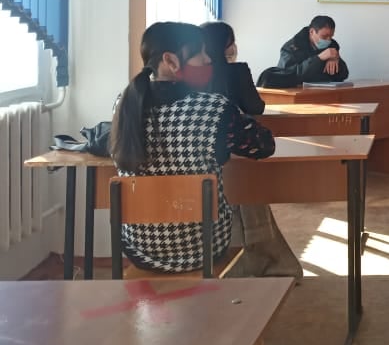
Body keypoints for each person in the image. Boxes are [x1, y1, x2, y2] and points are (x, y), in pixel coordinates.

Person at [110, 22, 275, 274]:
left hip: (139, 249)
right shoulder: (214, 108)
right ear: (170, 60)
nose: (208, 59)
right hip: (204, 248)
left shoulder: (124, 104)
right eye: (200, 53)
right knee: (243, 205)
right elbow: (263, 146)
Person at [201, 20, 303, 280]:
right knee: (248, 195)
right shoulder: (236, 71)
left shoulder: (191, 75)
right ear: (226, 45)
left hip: (207, 161)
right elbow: (256, 107)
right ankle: (260, 260)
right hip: (240, 150)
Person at [201, 21, 265, 115]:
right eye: (232, 42)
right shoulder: (239, 71)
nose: (234, 47)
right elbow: (255, 108)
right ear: (222, 45)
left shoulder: (193, 70)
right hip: (229, 123)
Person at [278, 15, 349, 83]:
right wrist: (319, 58)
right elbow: (286, 76)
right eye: (324, 36)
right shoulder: (291, 47)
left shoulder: (332, 46)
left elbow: (343, 75)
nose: (328, 40)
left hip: (322, 89)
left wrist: (337, 59)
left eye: (331, 36)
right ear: (312, 32)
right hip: (296, 90)